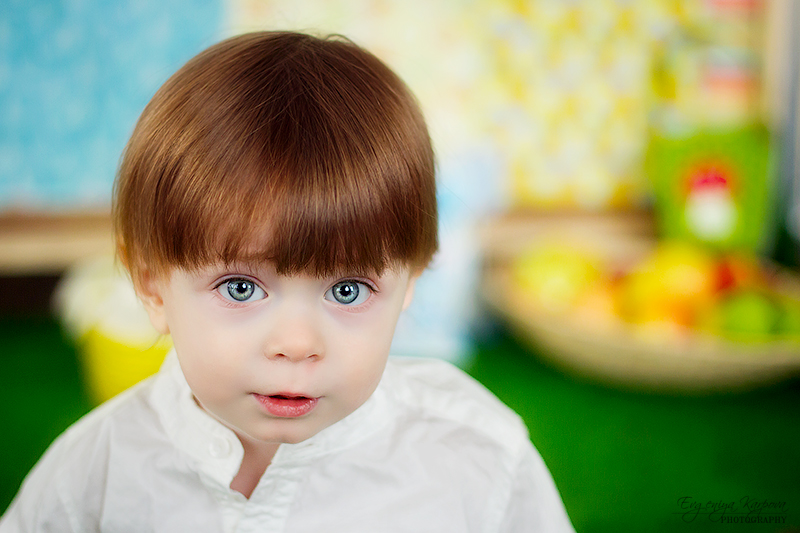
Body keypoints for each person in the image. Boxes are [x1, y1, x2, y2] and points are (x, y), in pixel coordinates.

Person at [0, 31, 573, 532]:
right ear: (152, 285)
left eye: (347, 290)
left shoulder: (477, 457)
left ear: (411, 283)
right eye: (240, 288)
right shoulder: (95, 475)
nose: (297, 344)